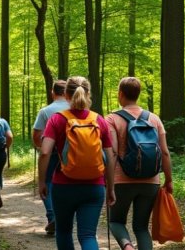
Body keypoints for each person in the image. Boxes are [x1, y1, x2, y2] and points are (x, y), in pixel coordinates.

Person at [38, 76, 116, 250]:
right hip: (94, 187)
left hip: (63, 185)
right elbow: (110, 157)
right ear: (88, 94)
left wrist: (42, 182)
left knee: (64, 232)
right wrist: (110, 187)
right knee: (88, 235)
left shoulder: (57, 119)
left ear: (66, 94)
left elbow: (44, 152)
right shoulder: (99, 120)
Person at [105, 77, 173, 250]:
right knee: (141, 227)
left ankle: (127, 246)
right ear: (138, 94)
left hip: (122, 181)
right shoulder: (154, 119)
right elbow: (164, 152)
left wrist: (109, 184)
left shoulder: (112, 119)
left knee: (115, 221)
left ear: (120, 94)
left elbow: (112, 154)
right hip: (151, 181)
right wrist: (169, 180)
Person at [32, 79, 69, 235]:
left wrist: (41, 146)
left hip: (52, 153)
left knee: (47, 184)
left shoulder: (46, 111)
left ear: (52, 92)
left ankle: (52, 216)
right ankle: (66, 217)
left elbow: (36, 135)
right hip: (74, 155)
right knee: (68, 185)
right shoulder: (76, 108)